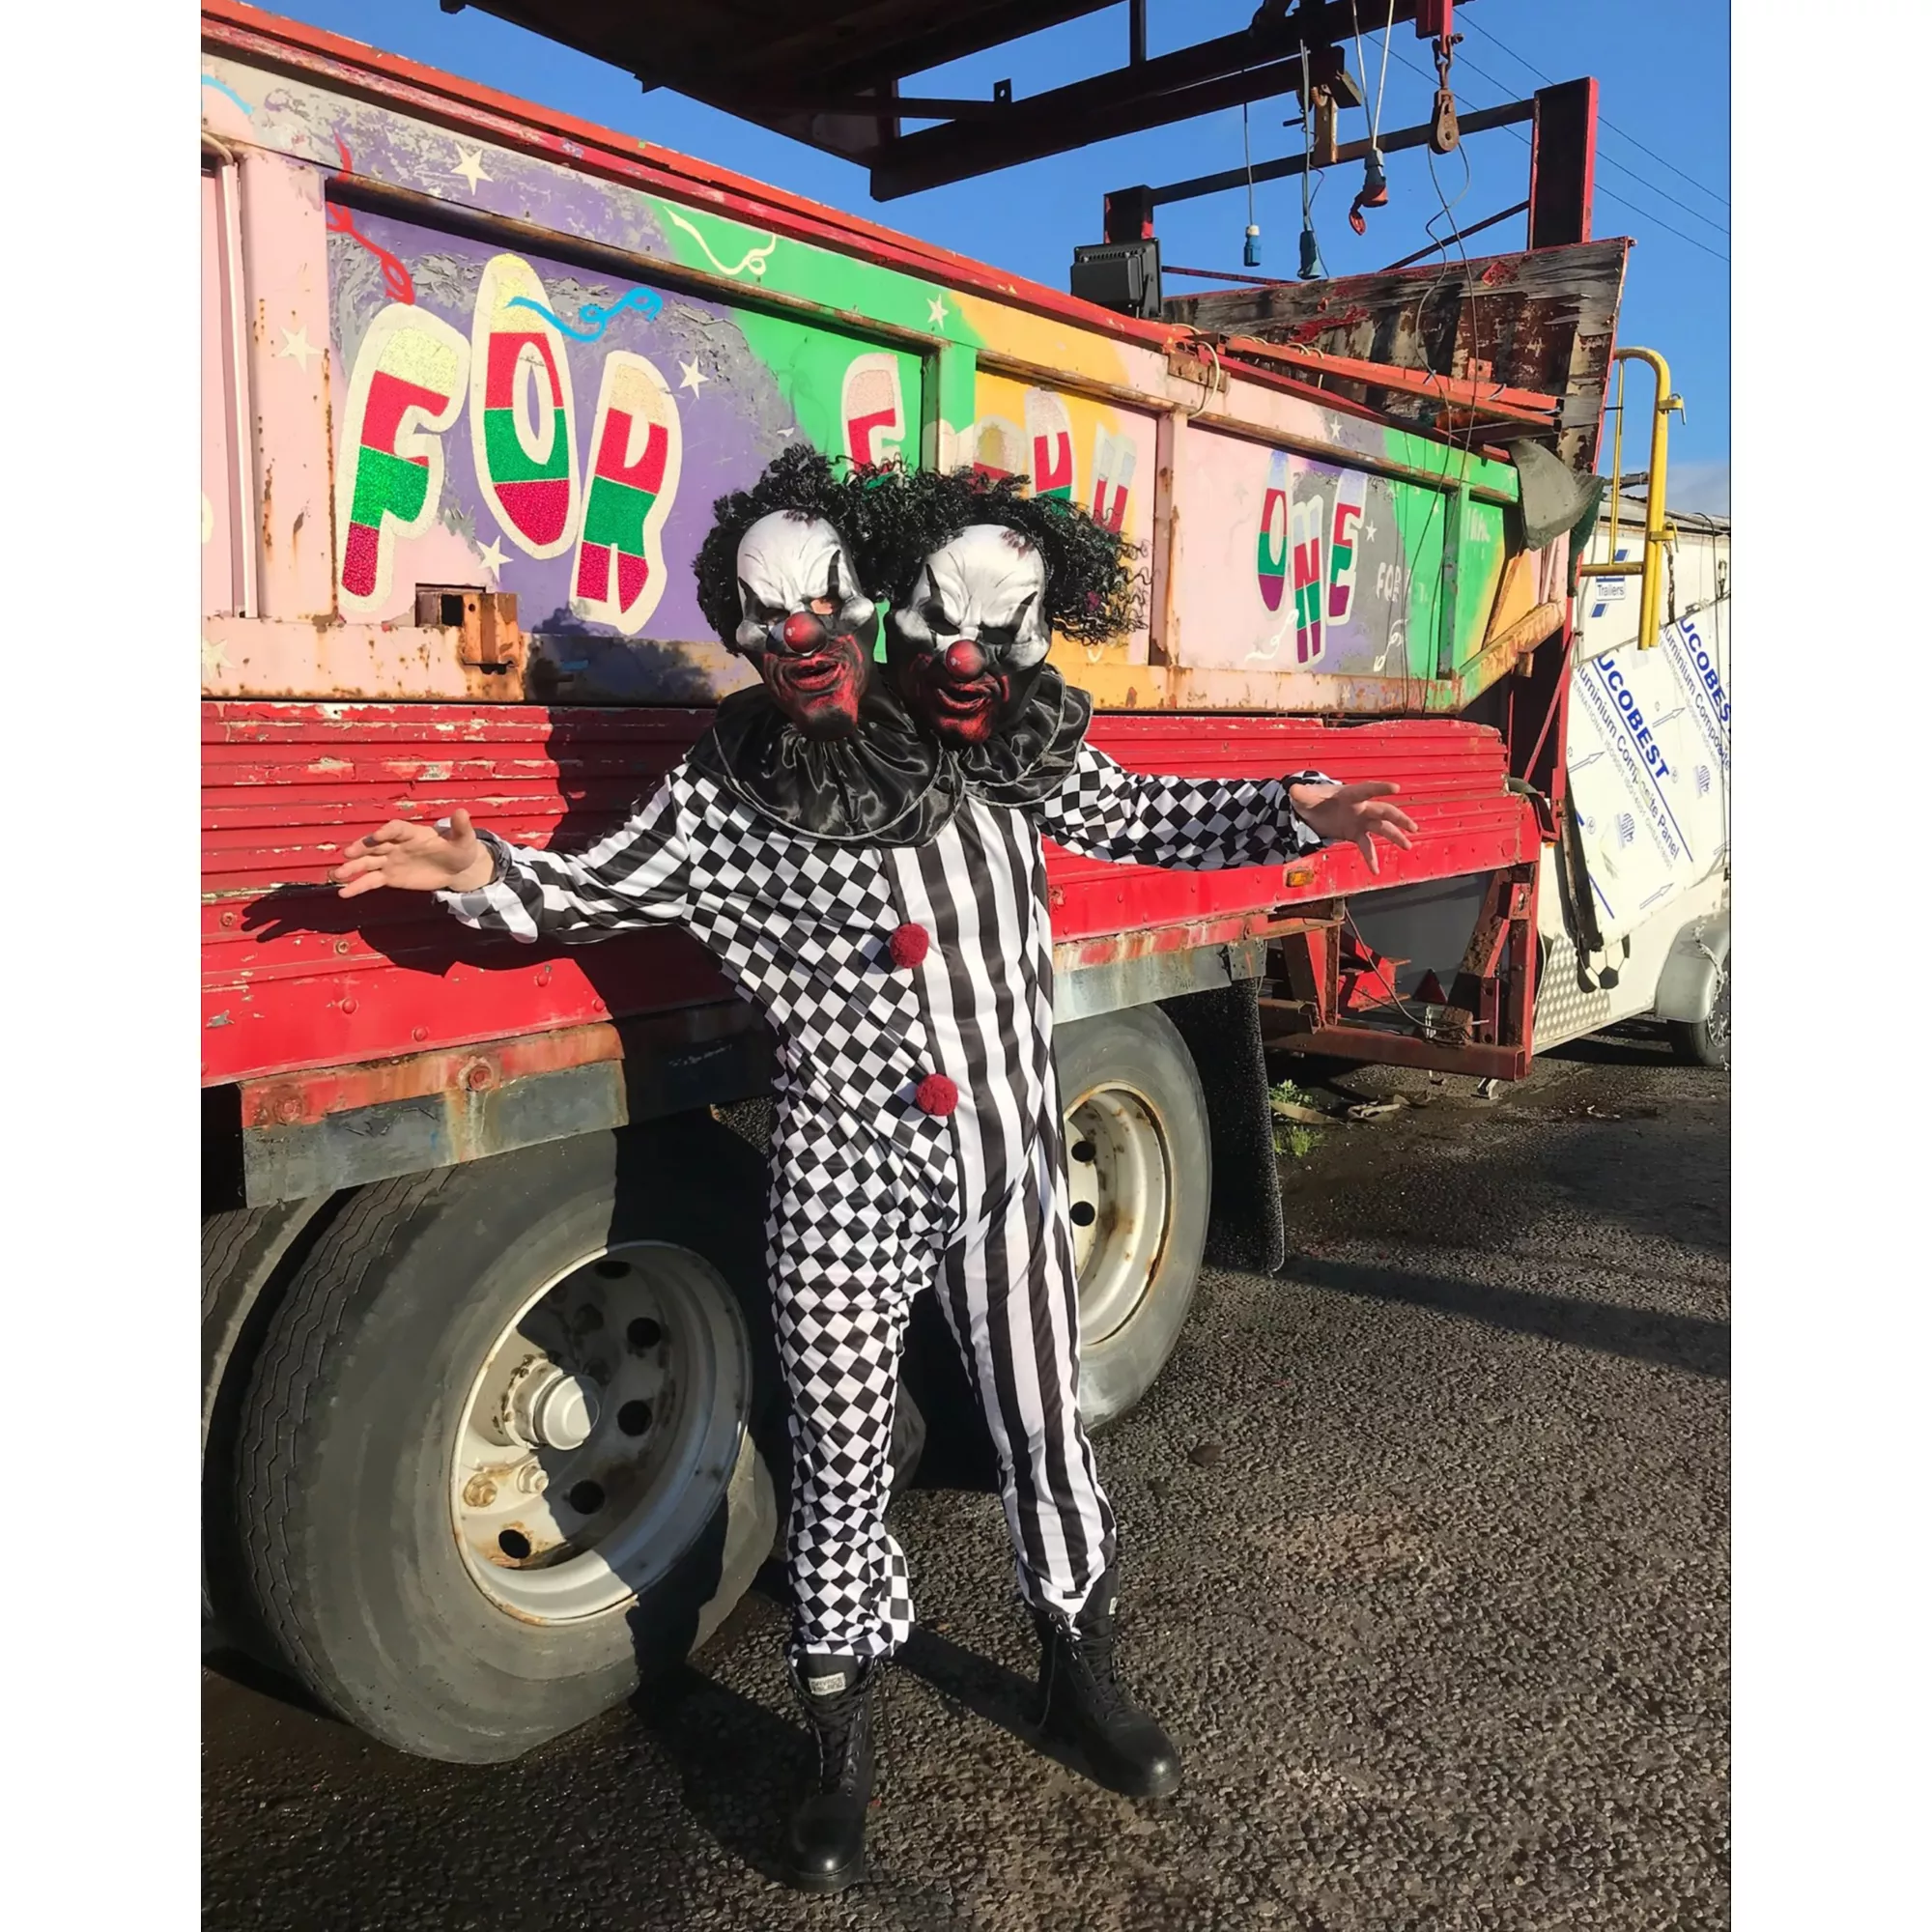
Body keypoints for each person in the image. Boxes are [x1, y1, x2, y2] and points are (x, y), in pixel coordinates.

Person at [330, 449, 1418, 1893]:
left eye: (830, 608)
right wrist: (481, 870)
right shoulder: (725, 799)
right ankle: (836, 1726)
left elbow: (1145, 816)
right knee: (843, 1461)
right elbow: (594, 889)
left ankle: (1072, 1660)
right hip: (842, 1177)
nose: (808, 643)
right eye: (773, 619)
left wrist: (1301, 809)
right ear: (746, 631)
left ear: (871, 607)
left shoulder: (986, 742)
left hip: (1011, 1157)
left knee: (1047, 1420)